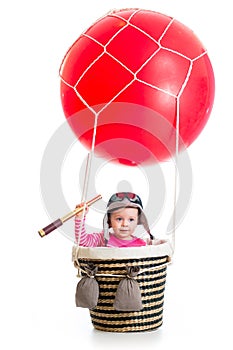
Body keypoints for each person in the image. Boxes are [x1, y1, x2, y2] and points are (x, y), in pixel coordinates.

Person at [75, 192, 162, 248]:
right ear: (109, 221)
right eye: (119, 219)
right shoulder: (103, 239)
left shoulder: (141, 245)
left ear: (138, 221)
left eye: (131, 219)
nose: (125, 224)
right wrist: (80, 218)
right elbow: (83, 241)